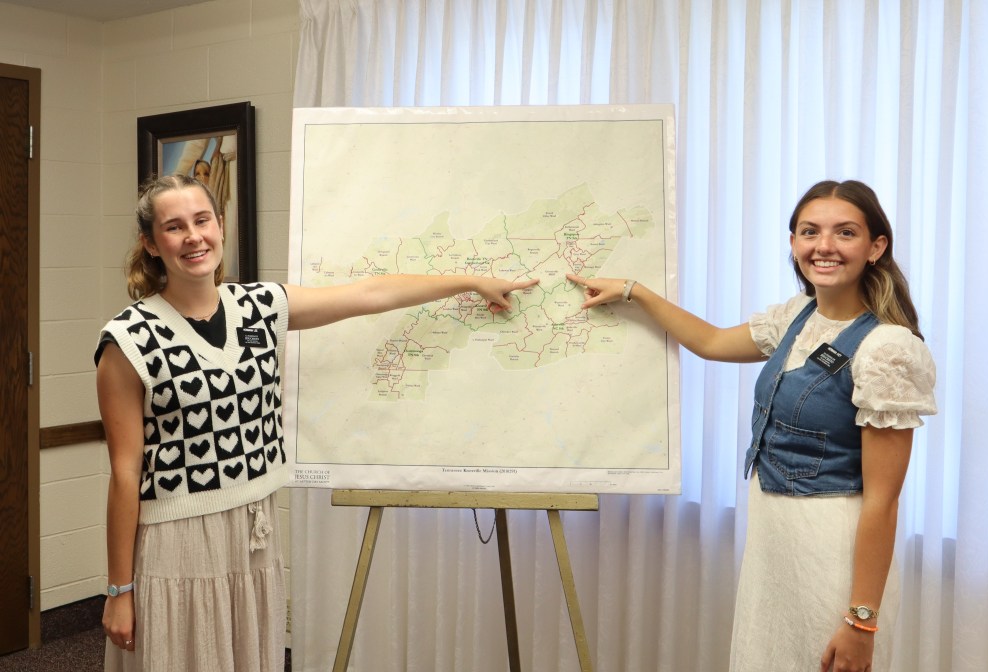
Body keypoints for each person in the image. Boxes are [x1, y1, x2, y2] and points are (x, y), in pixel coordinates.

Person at [96, 174, 538, 671]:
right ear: (151, 244)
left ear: (220, 225)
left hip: (255, 533)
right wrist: (119, 590)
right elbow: (125, 473)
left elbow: (371, 294)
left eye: (202, 221)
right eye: (174, 227)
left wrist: (471, 281)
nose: (193, 237)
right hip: (179, 543)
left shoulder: (261, 306)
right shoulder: (128, 341)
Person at [566, 179, 936, 672]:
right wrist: (635, 292)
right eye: (810, 232)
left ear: (876, 247)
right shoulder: (798, 316)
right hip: (773, 546)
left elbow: (882, 502)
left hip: (832, 554)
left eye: (845, 232)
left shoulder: (887, 349)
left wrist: (861, 621)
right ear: (793, 243)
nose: (824, 245)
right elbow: (713, 342)